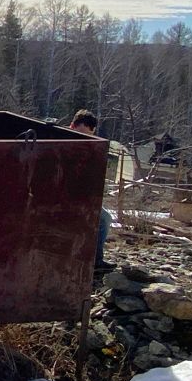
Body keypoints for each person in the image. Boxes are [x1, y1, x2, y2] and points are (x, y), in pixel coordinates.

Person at [69, 109, 115, 272]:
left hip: (80, 196)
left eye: (88, 134)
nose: (85, 137)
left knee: (104, 218)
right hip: (61, 195)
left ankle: (96, 260)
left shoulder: (91, 147)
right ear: (72, 126)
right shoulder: (61, 141)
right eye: (81, 133)